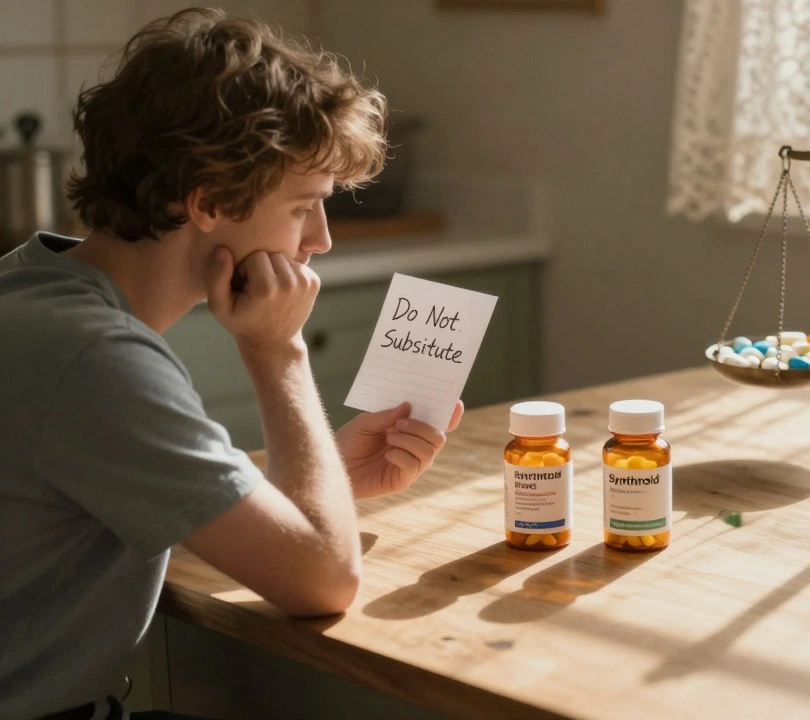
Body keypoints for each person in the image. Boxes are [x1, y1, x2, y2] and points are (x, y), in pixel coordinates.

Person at [0, 8, 463, 719]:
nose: (322, 240)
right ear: (209, 200)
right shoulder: (93, 356)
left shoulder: (32, 290)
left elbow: (131, 492)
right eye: (304, 206)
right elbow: (326, 581)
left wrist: (326, 479)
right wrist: (278, 350)